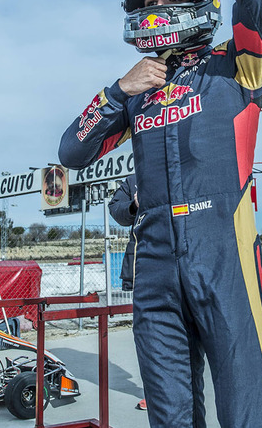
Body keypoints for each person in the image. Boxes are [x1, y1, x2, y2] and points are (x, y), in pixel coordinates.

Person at [58, 0, 262, 428]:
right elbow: (72, 151)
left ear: (199, 0)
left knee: (247, 412)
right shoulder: (138, 90)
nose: (157, 8)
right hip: (154, 270)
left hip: (225, 256)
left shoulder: (238, 65)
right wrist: (118, 90)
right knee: (170, 415)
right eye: (148, 1)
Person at [108, 174, 148, 412]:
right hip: (144, 269)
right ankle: (155, 392)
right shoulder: (134, 180)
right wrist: (134, 205)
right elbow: (116, 209)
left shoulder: (181, 165)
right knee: (150, 335)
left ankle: (185, 390)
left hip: (183, 264)